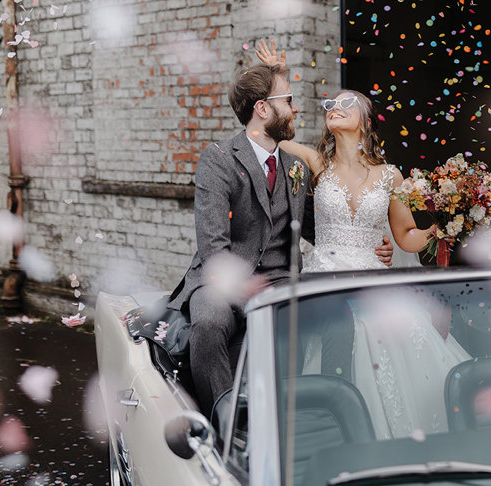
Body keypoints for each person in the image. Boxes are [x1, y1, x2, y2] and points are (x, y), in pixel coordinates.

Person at [256, 40, 470, 439]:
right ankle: (330, 431)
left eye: (346, 104)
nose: (334, 108)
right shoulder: (316, 163)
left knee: (396, 326)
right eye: (330, 106)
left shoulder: (391, 175)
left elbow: (406, 237)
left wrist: (446, 227)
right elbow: (272, 135)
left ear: (366, 122)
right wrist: (277, 76)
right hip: (326, 279)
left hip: (372, 276)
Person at [166, 61, 393, 413]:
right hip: (219, 281)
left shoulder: (295, 168)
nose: (296, 108)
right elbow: (213, 246)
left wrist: (367, 242)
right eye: (288, 100)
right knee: (209, 325)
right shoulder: (219, 159)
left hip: (279, 280)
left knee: (337, 317)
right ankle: (225, 422)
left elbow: (317, 227)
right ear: (262, 108)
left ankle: (328, 412)